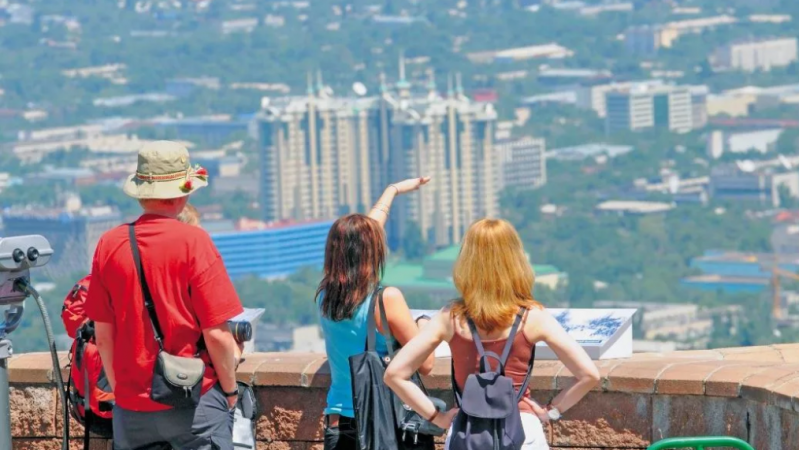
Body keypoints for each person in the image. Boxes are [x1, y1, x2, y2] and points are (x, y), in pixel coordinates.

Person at [384, 219, 601, 450]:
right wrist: (551, 411)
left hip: (467, 432)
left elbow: (394, 374)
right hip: (522, 431)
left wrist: (438, 418)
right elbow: (589, 375)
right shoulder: (533, 316)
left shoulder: (451, 317)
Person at [85, 141, 244, 450]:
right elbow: (217, 335)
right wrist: (230, 391)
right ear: (182, 193)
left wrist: (124, 396)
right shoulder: (194, 242)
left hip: (131, 410)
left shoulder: (109, 244)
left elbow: (103, 337)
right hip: (193, 401)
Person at [317, 177, 437, 450]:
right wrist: (424, 325)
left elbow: (360, 239)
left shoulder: (325, 294)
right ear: (371, 252)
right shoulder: (385, 299)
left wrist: (392, 191)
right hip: (381, 425)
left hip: (338, 423)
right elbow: (427, 365)